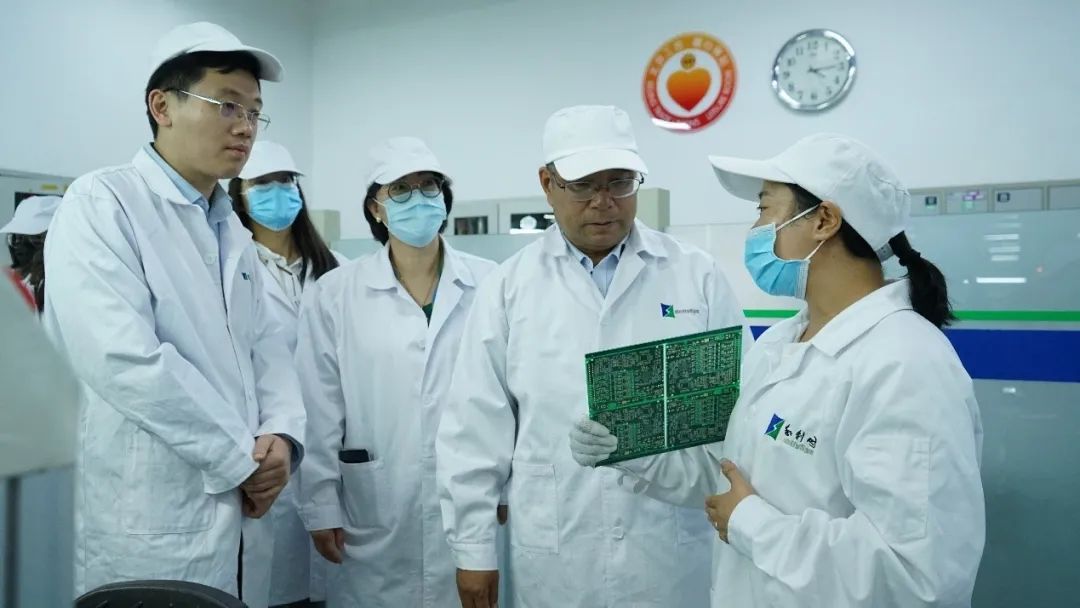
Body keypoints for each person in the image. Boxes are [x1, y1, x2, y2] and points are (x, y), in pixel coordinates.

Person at [569, 133, 986, 607]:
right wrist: (629, 448)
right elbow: (730, 476)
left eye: (764, 209)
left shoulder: (905, 365)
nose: (755, 230)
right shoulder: (779, 344)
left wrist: (752, 525)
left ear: (824, 221)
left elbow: (917, 577)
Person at [435, 105, 748, 608]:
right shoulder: (509, 287)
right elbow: (474, 427)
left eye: (619, 182)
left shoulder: (697, 276)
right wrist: (472, 550)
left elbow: (736, 413)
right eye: (583, 185)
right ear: (548, 183)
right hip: (557, 549)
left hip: (667, 546)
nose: (604, 202)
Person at [41, 22, 306, 607]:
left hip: (243, 504)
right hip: (152, 513)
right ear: (162, 106)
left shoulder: (231, 229)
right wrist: (239, 460)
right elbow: (123, 358)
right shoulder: (103, 203)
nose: (245, 127)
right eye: (227, 105)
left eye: (255, 112)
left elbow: (268, 347)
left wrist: (282, 436)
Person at [297, 137, 497, 608]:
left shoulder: (490, 282)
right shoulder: (335, 292)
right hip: (373, 503)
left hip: (472, 498)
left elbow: (507, 399)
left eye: (429, 187)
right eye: (401, 190)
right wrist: (320, 503)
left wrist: (506, 486)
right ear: (376, 208)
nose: (418, 200)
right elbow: (319, 406)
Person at [228, 140, 345, 608]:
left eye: (286, 182)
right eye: (263, 184)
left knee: (332, 586)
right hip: (268, 448)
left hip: (332, 447)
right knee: (276, 586)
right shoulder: (233, 267)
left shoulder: (337, 270)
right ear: (240, 195)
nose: (277, 192)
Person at [2, 194, 62, 312]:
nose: (20, 246)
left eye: (34, 239)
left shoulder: (59, 284)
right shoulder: (17, 284)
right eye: (16, 238)